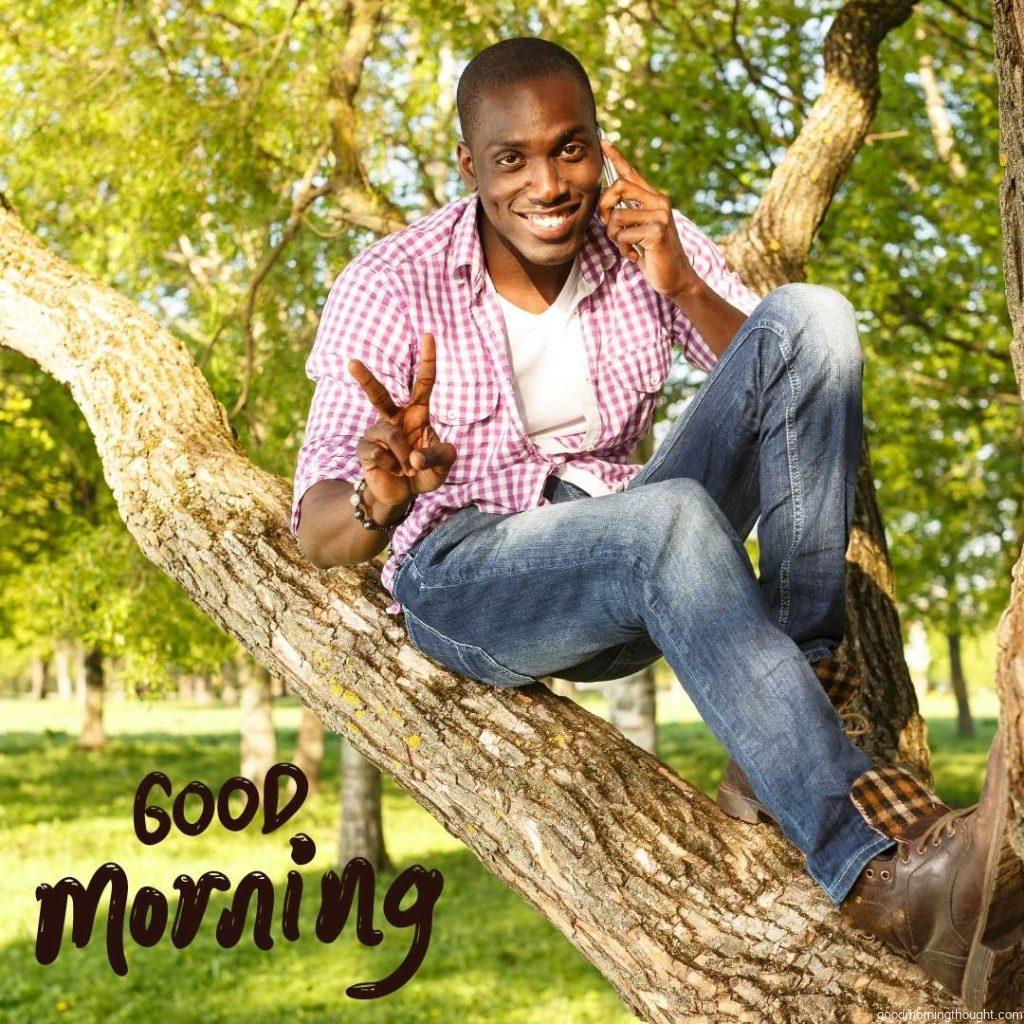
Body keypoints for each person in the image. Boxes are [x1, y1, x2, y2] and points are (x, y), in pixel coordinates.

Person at [291, 37, 1023, 1008]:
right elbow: (315, 532)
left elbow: (783, 382)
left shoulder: (639, 240)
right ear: (467, 168)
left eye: (570, 148)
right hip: (472, 575)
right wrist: (382, 497)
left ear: (599, 147)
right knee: (667, 517)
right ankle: (871, 873)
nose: (547, 182)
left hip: (634, 553)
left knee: (814, 321)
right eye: (510, 158)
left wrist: (682, 283)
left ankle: (787, 721)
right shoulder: (391, 282)